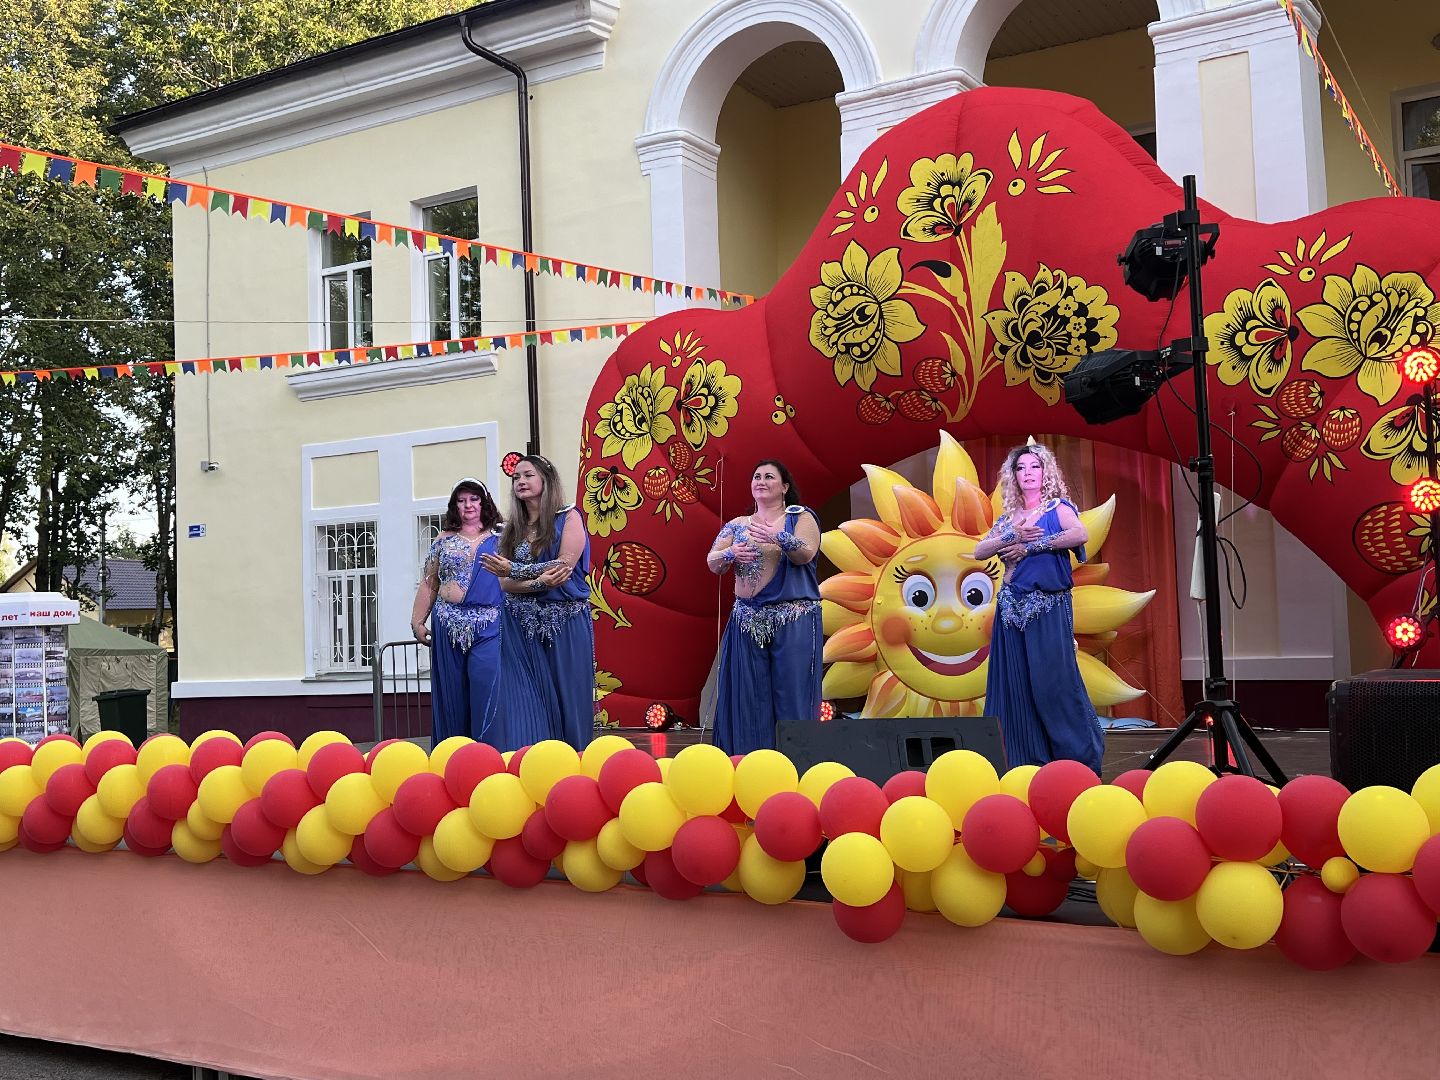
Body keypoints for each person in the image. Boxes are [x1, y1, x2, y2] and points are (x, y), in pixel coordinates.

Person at [972, 442, 1103, 773]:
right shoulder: (1010, 519)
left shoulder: (1056, 507)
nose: (1028, 474)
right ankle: (1022, 761)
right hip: (1011, 608)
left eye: (1034, 467)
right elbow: (979, 551)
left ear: (1046, 473)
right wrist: (1011, 537)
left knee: (1052, 683)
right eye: (1021, 469)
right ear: (1013, 477)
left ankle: (1076, 761)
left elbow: (1079, 533)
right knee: (1014, 685)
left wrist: (1033, 546)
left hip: (1047, 605)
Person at [707, 459, 823, 755]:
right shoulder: (736, 525)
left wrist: (776, 536)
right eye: (756, 476)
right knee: (748, 694)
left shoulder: (800, 518)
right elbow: (712, 562)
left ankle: (796, 759)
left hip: (792, 617)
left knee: (791, 692)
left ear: (784, 487)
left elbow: (806, 554)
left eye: (769, 477)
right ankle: (748, 760)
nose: (761, 481)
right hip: (747, 619)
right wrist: (731, 552)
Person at [479, 454, 593, 751]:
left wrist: (517, 572)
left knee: (567, 696)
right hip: (519, 625)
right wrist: (538, 582)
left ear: (546, 479)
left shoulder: (569, 517)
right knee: (524, 700)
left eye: (527, 475)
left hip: (564, 622)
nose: (520, 481)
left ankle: (572, 768)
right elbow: (505, 584)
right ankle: (530, 765)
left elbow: (563, 567)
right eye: (516, 477)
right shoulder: (510, 529)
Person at [411, 479, 504, 745]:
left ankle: (488, 755)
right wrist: (417, 621)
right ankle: (452, 756)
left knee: (486, 687)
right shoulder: (443, 541)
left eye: (474, 499)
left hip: (489, 625)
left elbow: (513, 581)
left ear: (484, 503)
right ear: (455, 506)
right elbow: (430, 581)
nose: (468, 505)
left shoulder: (500, 540)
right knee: (452, 694)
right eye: (462, 500)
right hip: (447, 623)